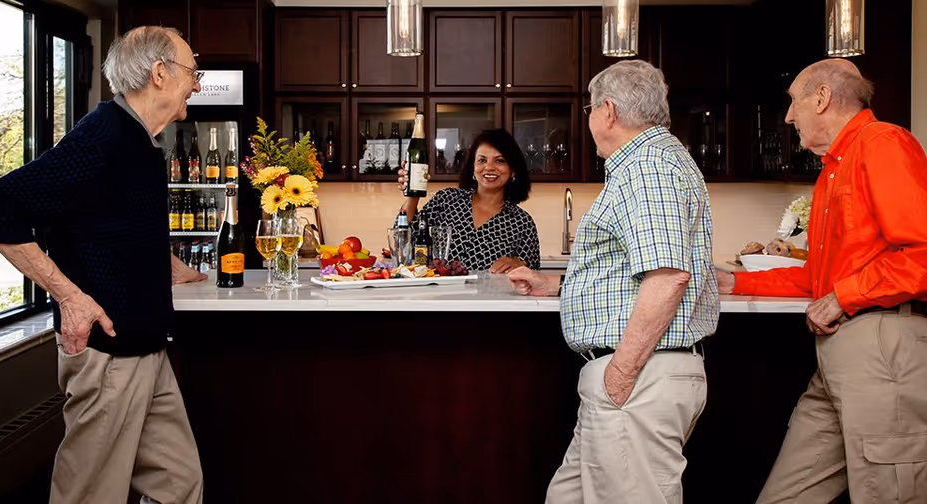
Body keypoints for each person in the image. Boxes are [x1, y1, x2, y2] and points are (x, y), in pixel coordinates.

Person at [0, 26, 207, 504]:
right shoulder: (103, 137)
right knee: (90, 494)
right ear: (160, 74)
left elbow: (111, 223)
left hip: (145, 347)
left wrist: (170, 265)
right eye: (191, 72)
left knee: (178, 484)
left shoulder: (139, 142)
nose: (197, 85)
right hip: (109, 353)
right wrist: (70, 297)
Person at [717, 58, 927, 503]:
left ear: (822, 97)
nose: (789, 116)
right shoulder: (835, 167)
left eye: (794, 102)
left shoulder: (884, 145)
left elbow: (923, 256)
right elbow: (820, 278)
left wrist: (843, 297)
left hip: (882, 347)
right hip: (838, 355)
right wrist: (736, 284)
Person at [508, 60, 719, 503]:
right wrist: (559, 286)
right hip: (634, 378)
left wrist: (620, 375)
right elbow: (631, 271)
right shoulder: (649, 163)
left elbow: (667, 276)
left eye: (588, 109)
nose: (587, 120)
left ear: (607, 111)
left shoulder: (647, 168)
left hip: (637, 378)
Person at [396, 128, 540, 272]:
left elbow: (533, 278)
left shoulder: (522, 223)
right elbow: (403, 244)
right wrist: (412, 196)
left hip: (492, 295)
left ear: (513, 170)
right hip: (437, 292)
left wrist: (520, 265)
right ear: (473, 167)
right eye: (482, 160)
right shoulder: (446, 200)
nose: (489, 167)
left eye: (500, 160)